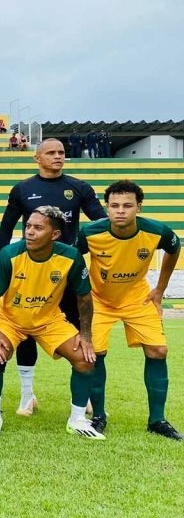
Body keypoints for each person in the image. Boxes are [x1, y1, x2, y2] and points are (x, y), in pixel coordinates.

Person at [0, 138, 105, 414]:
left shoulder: (79, 188)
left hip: (65, 274)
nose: (58, 157)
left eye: (62, 153)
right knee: (27, 332)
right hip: (29, 272)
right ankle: (27, 395)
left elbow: (101, 224)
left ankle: (83, 396)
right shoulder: (23, 189)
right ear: (37, 158)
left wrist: (76, 249)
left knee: (77, 333)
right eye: (52, 153)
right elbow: (6, 228)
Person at [0, 207, 100, 439]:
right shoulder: (9, 254)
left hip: (49, 320)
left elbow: (84, 297)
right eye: (28, 226)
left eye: (38, 228)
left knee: (84, 360)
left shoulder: (70, 257)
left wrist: (85, 336)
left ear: (54, 234)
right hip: (11, 320)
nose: (30, 232)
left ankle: (77, 419)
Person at [78, 181, 181, 440]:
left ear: (138, 207)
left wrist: (159, 289)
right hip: (99, 300)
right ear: (107, 208)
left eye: (127, 205)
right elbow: (70, 258)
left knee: (158, 350)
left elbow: (174, 247)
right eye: (114, 206)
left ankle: (157, 420)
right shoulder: (90, 232)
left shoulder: (157, 231)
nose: (120, 211)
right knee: (94, 354)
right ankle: (98, 416)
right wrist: (80, 293)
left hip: (138, 298)